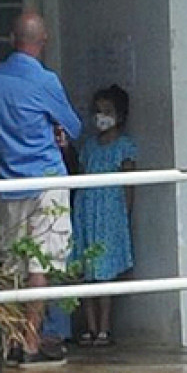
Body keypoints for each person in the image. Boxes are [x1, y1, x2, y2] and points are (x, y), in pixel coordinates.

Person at [0, 11, 80, 364]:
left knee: (12, 263)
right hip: (44, 179)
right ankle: (30, 340)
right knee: (40, 262)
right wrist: (56, 132)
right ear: (44, 41)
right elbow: (72, 126)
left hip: (9, 180)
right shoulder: (45, 81)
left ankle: (10, 338)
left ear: (12, 39)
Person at [70, 85, 138, 347]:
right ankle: (90, 326)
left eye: (107, 112)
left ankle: (105, 328)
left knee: (105, 272)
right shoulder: (88, 146)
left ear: (120, 116)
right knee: (87, 269)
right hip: (87, 212)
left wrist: (126, 212)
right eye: (97, 112)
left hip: (110, 213)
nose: (101, 117)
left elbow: (129, 183)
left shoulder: (125, 146)